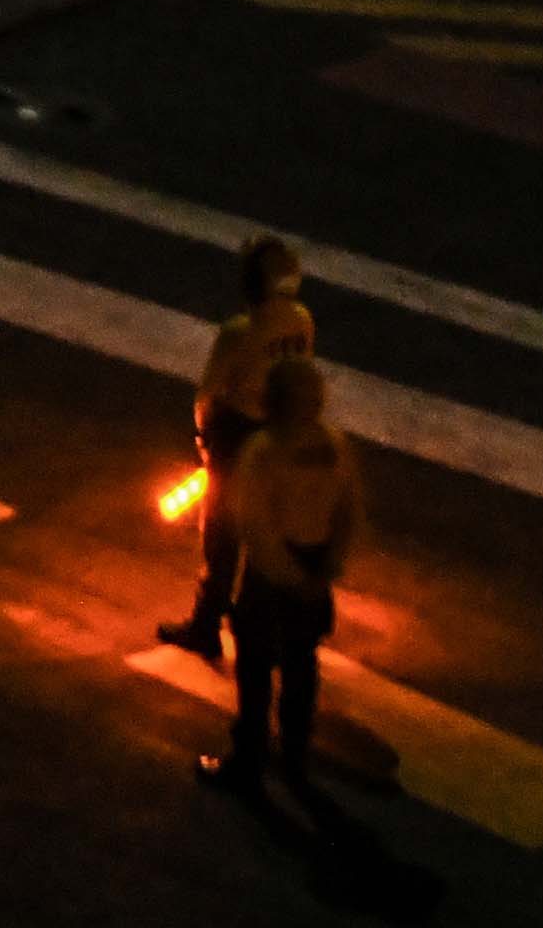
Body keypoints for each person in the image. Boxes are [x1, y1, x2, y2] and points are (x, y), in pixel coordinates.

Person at [204, 352, 366, 806]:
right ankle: (295, 757)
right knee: (302, 665)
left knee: (255, 667)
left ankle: (249, 759)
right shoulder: (334, 446)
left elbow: (256, 525)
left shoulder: (264, 451)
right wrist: (325, 569)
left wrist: (287, 575)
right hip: (315, 567)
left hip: (272, 576)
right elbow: (350, 512)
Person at [163, 233, 318, 663]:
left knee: (219, 536)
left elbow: (207, 394)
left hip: (234, 434)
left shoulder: (238, 332)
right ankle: (253, 620)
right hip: (275, 434)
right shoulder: (302, 321)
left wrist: (202, 439)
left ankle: (206, 625)